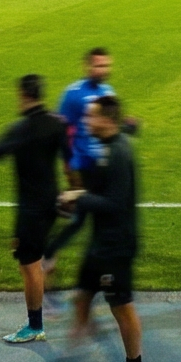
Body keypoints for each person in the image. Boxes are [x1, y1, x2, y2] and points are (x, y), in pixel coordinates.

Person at [0, 72, 70, 344]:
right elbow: (71, 160)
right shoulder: (57, 124)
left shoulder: (21, 129)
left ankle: (35, 325)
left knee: (29, 266)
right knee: (38, 260)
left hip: (31, 209)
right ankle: (49, 304)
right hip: (52, 203)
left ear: (23, 95)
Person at [59, 94, 146, 362]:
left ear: (107, 120)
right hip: (100, 243)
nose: (86, 120)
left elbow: (115, 203)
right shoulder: (106, 148)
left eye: (91, 116)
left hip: (116, 246)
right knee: (82, 296)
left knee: (121, 306)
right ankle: (72, 361)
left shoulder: (118, 153)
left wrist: (78, 196)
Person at [47, 46, 120, 270]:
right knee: (83, 215)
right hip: (84, 165)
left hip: (103, 165)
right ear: (87, 66)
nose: (103, 69)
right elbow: (62, 130)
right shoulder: (73, 94)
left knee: (87, 214)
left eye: (106, 65)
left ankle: (51, 252)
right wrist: (68, 166)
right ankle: (49, 254)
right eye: (99, 65)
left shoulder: (109, 91)